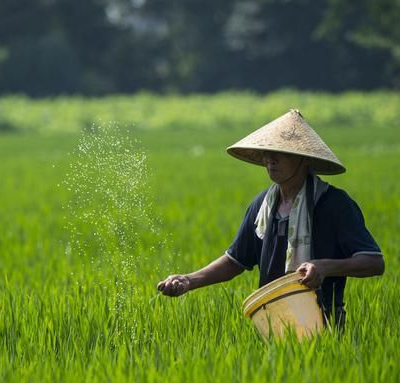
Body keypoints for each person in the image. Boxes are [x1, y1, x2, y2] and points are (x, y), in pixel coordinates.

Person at [156, 109, 384, 327]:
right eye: (267, 152)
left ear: (304, 159)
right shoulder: (262, 206)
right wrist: (189, 280)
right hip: (272, 324)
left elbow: (374, 262)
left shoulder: (334, 204)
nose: (270, 159)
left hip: (326, 323)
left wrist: (324, 267)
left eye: (281, 153)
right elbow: (236, 260)